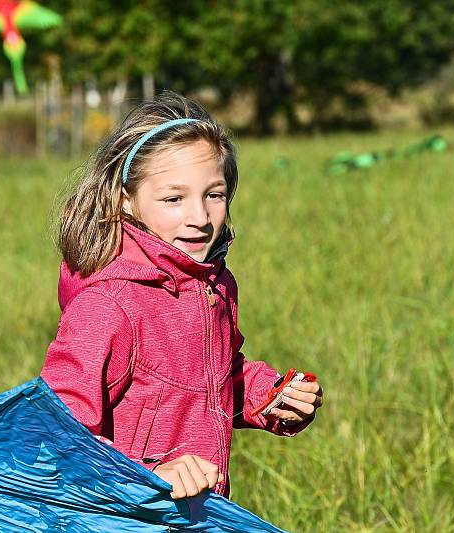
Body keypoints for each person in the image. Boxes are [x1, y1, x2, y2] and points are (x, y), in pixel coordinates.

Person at [41, 92, 323, 500]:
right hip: (125, 517)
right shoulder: (107, 306)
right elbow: (56, 435)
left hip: (198, 511)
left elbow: (215, 376)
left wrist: (271, 397)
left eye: (214, 194)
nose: (200, 217)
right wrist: (151, 475)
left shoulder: (212, 284)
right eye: (174, 198)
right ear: (127, 200)